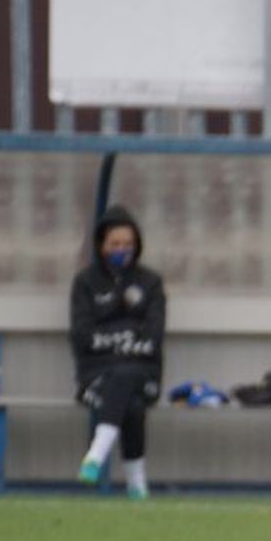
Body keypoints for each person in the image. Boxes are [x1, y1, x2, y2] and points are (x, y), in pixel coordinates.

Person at [69, 205, 166, 499]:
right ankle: (137, 485)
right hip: (96, 375)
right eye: (115, 244)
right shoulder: (85, 282)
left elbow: (153, 336)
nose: (122, 250)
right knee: (130, 403)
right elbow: (82, 336)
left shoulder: (150, 282)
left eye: (128, 244)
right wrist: (126, 335)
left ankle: (96, 455)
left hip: (143, 373)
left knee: (127, 378)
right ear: (101, 245)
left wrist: (109, 337)